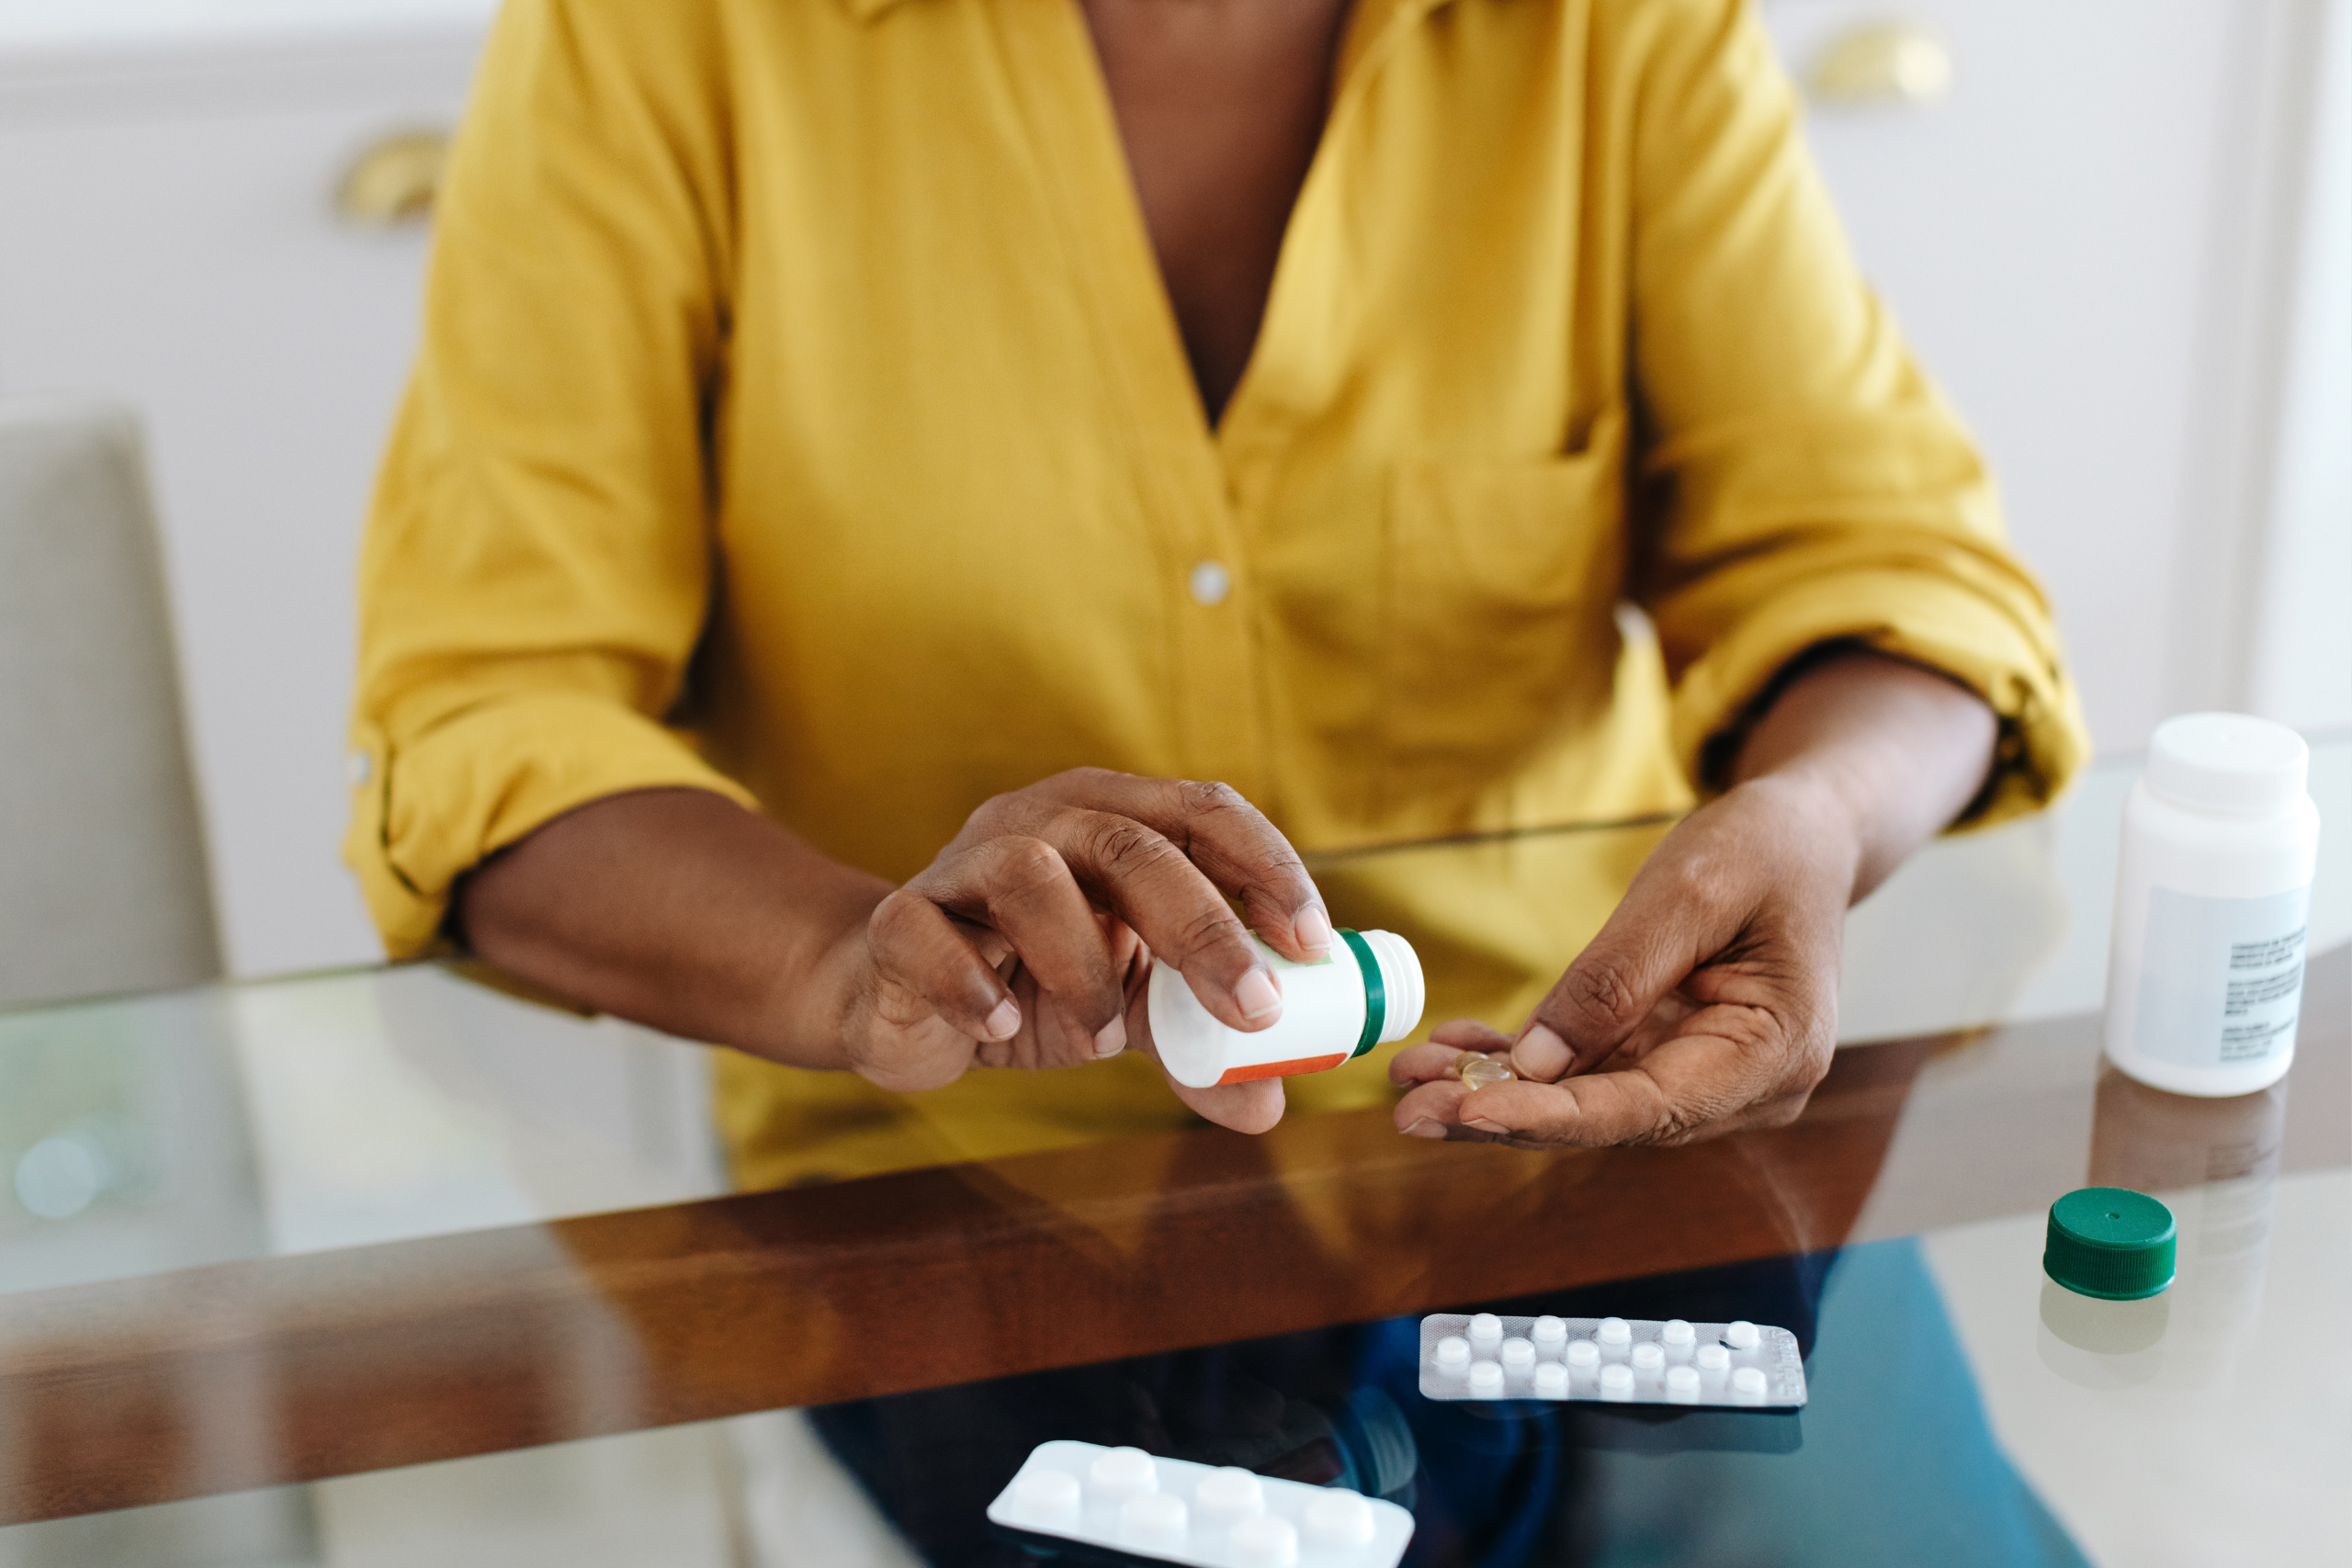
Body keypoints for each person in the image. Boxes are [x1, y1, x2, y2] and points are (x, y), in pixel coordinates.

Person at [345, 0, 2086, 1189]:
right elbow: (484, 721)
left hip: (1575, 1119)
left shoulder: (1605, 32)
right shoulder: (666, 39)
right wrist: (844, 957)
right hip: (960, 1199)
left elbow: (1889, 566)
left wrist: (1810, 816)